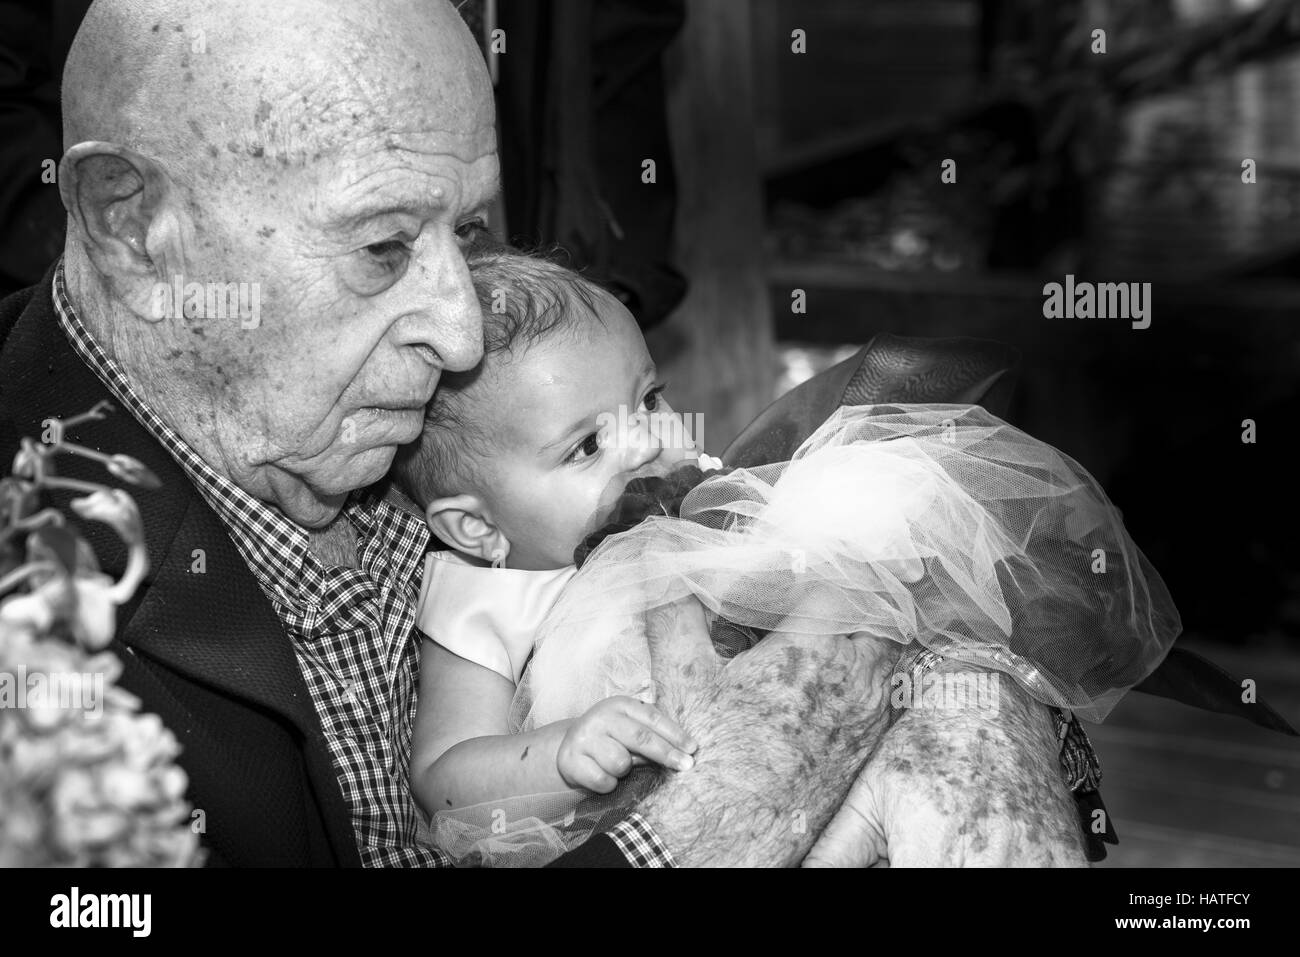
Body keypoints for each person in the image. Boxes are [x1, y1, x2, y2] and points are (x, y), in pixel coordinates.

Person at [0, 0, 1089, 867]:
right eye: (383, 245)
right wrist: (723, 808)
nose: (463, 325)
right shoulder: (36, 629)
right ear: (132, 224)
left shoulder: (409, 410)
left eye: (466, 231)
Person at [394, 247, 1179, 864]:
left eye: (650, 400)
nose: (648, 443)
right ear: (474, 528)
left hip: (819, 757)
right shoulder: (482, 596)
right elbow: (444, 779)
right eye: (589, 444)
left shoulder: (698, 503)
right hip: (654, 827)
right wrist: (560, 755)